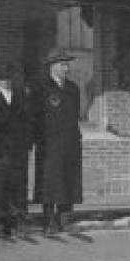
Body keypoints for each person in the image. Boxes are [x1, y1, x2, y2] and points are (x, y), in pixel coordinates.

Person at [34, 49, 83, 235]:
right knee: (50, 183)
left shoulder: (73, 89)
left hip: (70, 142)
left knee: (68, 181)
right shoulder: (41, 88)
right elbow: (36, 117)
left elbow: (74, 116)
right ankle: (49, 222)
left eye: (67, 64)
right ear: (52, 66)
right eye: (62, 64)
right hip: (49, 143)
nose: (66, 67)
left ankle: (66, 220)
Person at [0, 61, 31, 239]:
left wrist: (26, 143)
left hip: (17, 151)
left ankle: (18, 223)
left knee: (17, 187)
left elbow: (27, 121)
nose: (6, 81)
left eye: (9, 77)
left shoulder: (21, 95)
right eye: (2, 78)